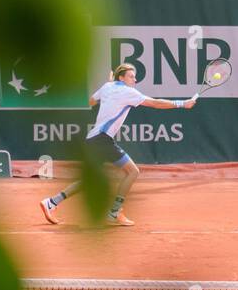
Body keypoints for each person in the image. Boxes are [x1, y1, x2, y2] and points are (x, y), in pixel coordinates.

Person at [39, 64, 195, 227]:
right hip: (102, 139)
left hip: (93, 138)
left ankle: (51, 202)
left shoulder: (107, 87)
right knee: (132, 171)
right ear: (121, 77)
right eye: (131, 76)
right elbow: (155, 103)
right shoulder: (129, 92)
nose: (135, 79)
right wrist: (183, 103)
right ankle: (114, 212)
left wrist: (109, 91)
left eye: (135, 77)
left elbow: (92, 101)